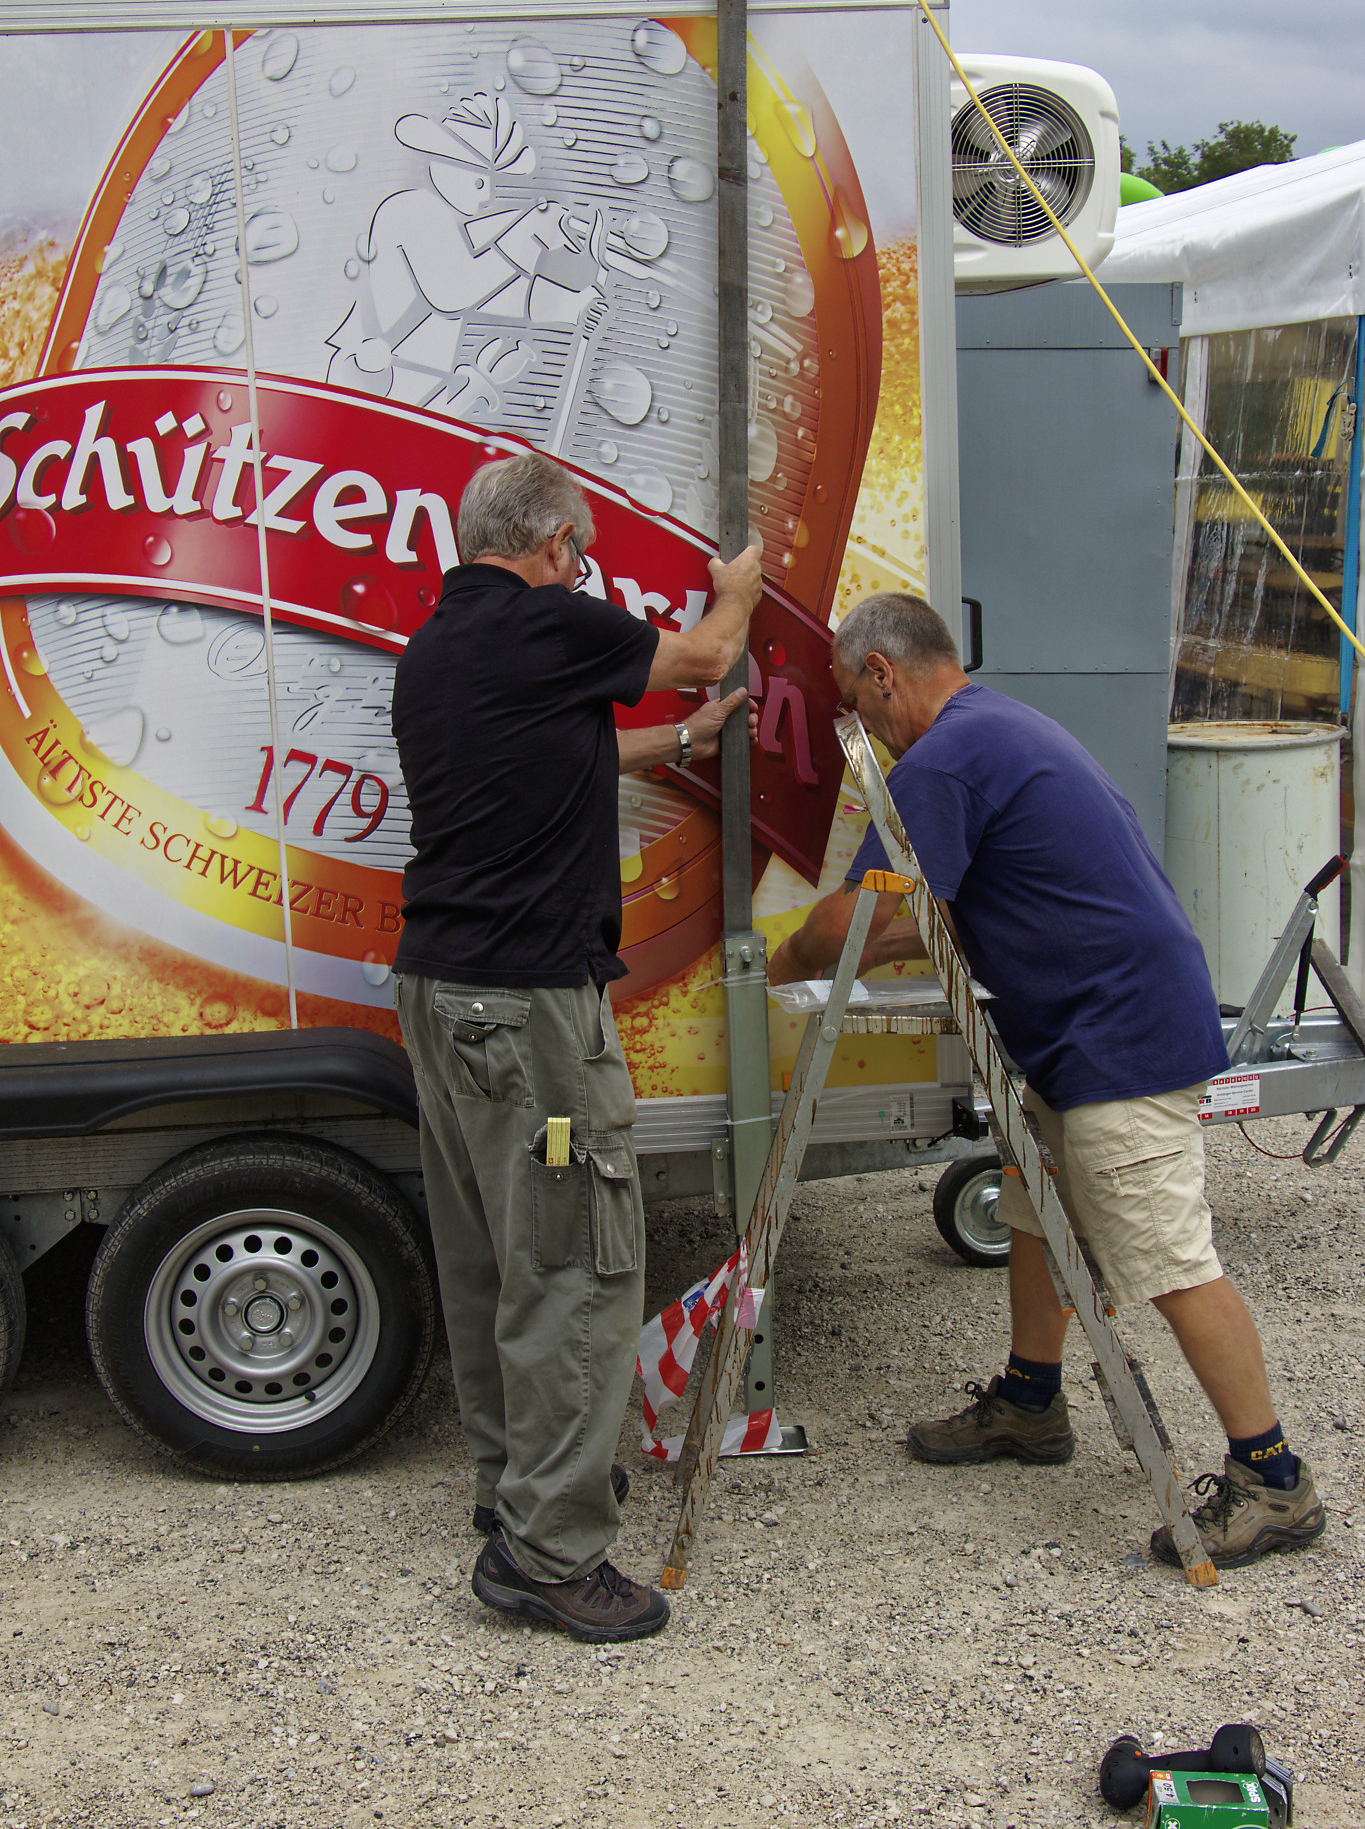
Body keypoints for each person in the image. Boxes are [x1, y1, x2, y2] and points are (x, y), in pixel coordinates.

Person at [767, 591, 1325, 1571]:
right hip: (1089, 1027)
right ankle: (1030, 1401)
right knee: (1035, 1207)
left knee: (1169, 1258)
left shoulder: (941, 760)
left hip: (1119, 1036)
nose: (858, 725)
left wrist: (779, 964)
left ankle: (1273, 1477)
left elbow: (857, 918)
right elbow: (927, 917)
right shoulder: (994, 726)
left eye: (853, 700)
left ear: (883, 673)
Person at [392, 450, 762, 1640]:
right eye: (581, 553)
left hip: (441, 991)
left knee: (493, 1253)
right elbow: (707, 650)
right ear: (554, 545)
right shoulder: (545, 622)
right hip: (529, 1007)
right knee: (574, 1262)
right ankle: (550, 1552)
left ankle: (514, 1485)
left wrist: (686, 740)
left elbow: (570, 753)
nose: (583, 572)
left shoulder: (439, 646)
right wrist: (742, 586)